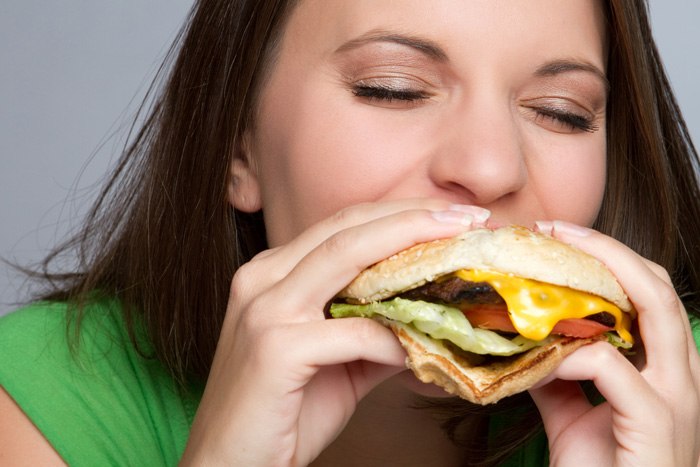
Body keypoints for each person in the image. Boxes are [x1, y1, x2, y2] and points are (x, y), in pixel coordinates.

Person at [1, 0, 699, 465]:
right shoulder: (51, 399)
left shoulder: (675, 397)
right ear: (236, 147)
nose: (490, 167)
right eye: (393, 87)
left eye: (561, 112)